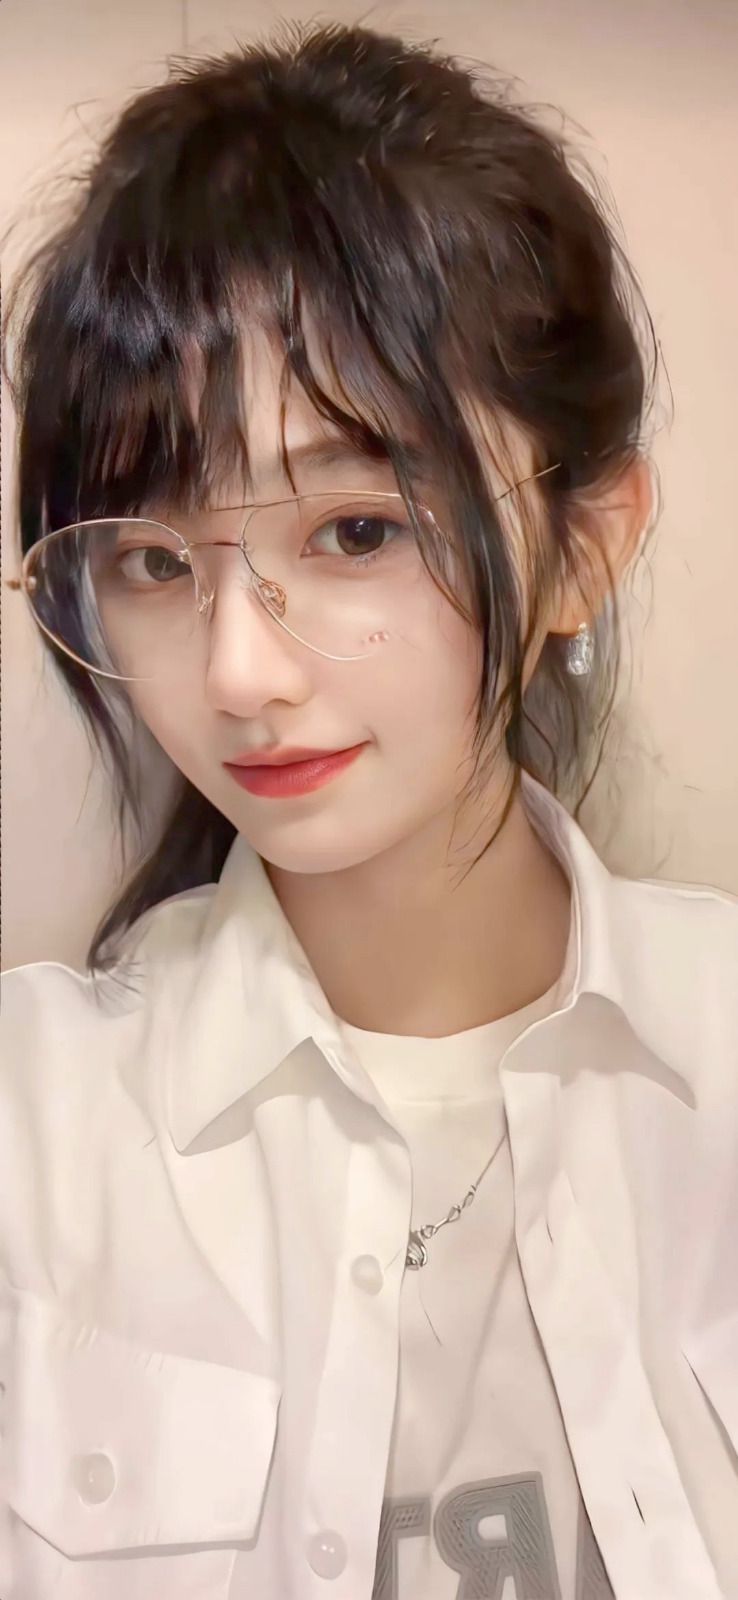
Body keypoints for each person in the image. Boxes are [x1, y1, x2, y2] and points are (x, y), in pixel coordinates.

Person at [1, 19, 736, 1600]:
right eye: (152, 559)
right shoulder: (33, 1140)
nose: (237, 671)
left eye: (352, 531)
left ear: (584, 543)